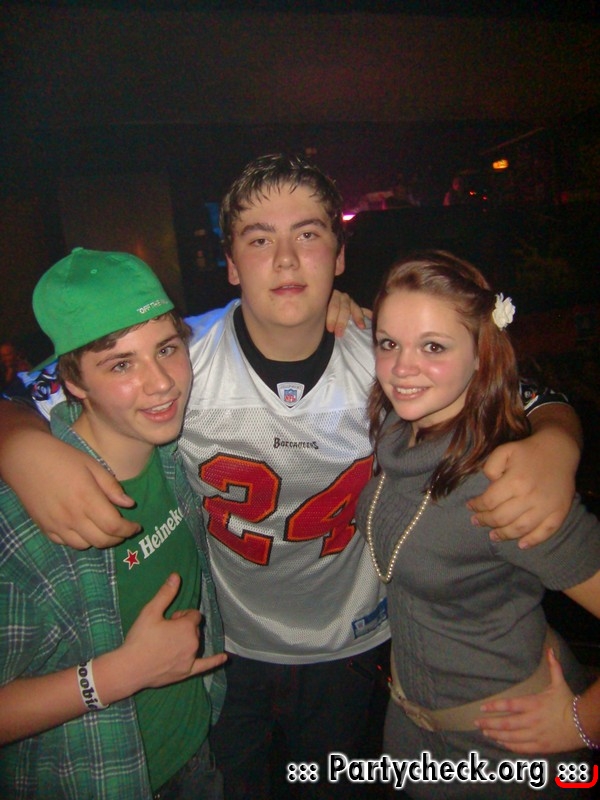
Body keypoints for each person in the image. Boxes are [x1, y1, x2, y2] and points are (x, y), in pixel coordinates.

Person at [0, 155, 584, 799]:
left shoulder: (388, 356)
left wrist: (556, 439)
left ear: (339, 255)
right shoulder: (174, 359)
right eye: (259, 240)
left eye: (307, 234)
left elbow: (513, 389)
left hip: (356, 643)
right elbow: (24, 389)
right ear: (230, 263)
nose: (284, 260)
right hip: (222, 646)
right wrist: (20, 443)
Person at [356, 250, 600, 798]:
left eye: (434, 347)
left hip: (503, 753)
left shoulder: (504, 483)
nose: (401, 368)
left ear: (481, 355)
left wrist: (582, 722)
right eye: (388, 344)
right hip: (414, 731)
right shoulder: (402, 432)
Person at [0, 248, 227, 799]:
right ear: (73, 381)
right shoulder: (22, 519)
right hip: (98, 779)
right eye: (121, 365)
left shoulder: (172, 452)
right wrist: (118, 674)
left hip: (198, 748)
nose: (161, 383)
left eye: (167, 349)